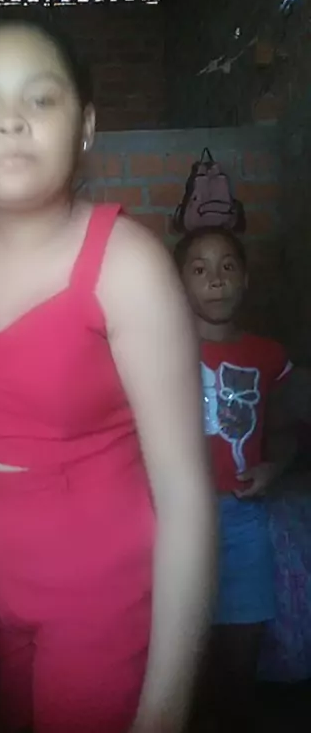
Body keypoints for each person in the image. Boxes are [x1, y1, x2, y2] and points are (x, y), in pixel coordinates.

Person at [0, 13, 215, 733]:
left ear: (85, 126)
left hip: (103, 595)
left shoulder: (128, 266)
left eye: (40, 98)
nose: (11, 121)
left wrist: (166, 709)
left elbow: (185, 492)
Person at [175, 227, 295, 733]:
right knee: (183, 654)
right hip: (178, 520)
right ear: (179, 284)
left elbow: (288, 430)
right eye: (199, 269)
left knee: (240, 650)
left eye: (227, 267)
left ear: (245, 279)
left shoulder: (269, 355)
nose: (216, 280)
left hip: (243, 517)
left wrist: (274, 466)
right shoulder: (163, 351)